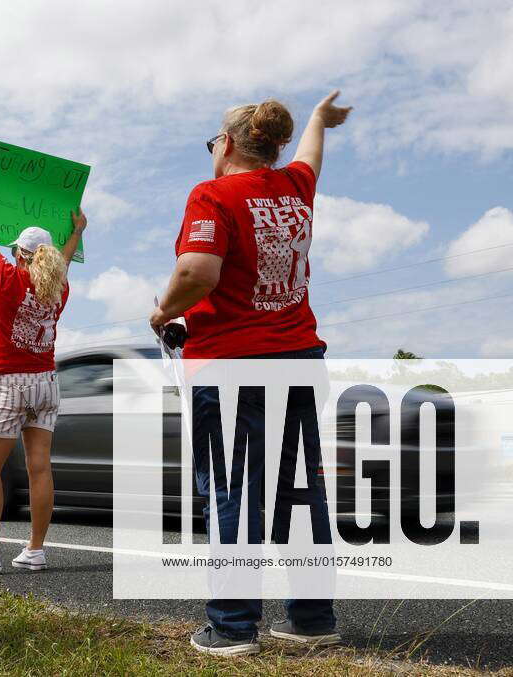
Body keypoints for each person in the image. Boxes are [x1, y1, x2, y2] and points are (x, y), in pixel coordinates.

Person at [150, 91, 352, 656]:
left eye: (212, 142)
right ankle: (312, 620)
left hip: (231, 365)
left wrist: (164, 312)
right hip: (300, 360)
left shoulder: (213, 194)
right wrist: (318, 119)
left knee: (231, 489)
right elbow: (311, 157)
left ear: (228, 143)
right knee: (300, 490)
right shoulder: (294, 188)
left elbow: (197, 271)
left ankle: (233, 628)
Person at [0, 168, 86, 577]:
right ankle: (35, 550)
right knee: (39, 467)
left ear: (21, 255)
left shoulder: (7, 279)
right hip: (47, 384)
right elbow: (63, 263)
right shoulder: (59, 288)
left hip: (12, 384)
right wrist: (77, 231)